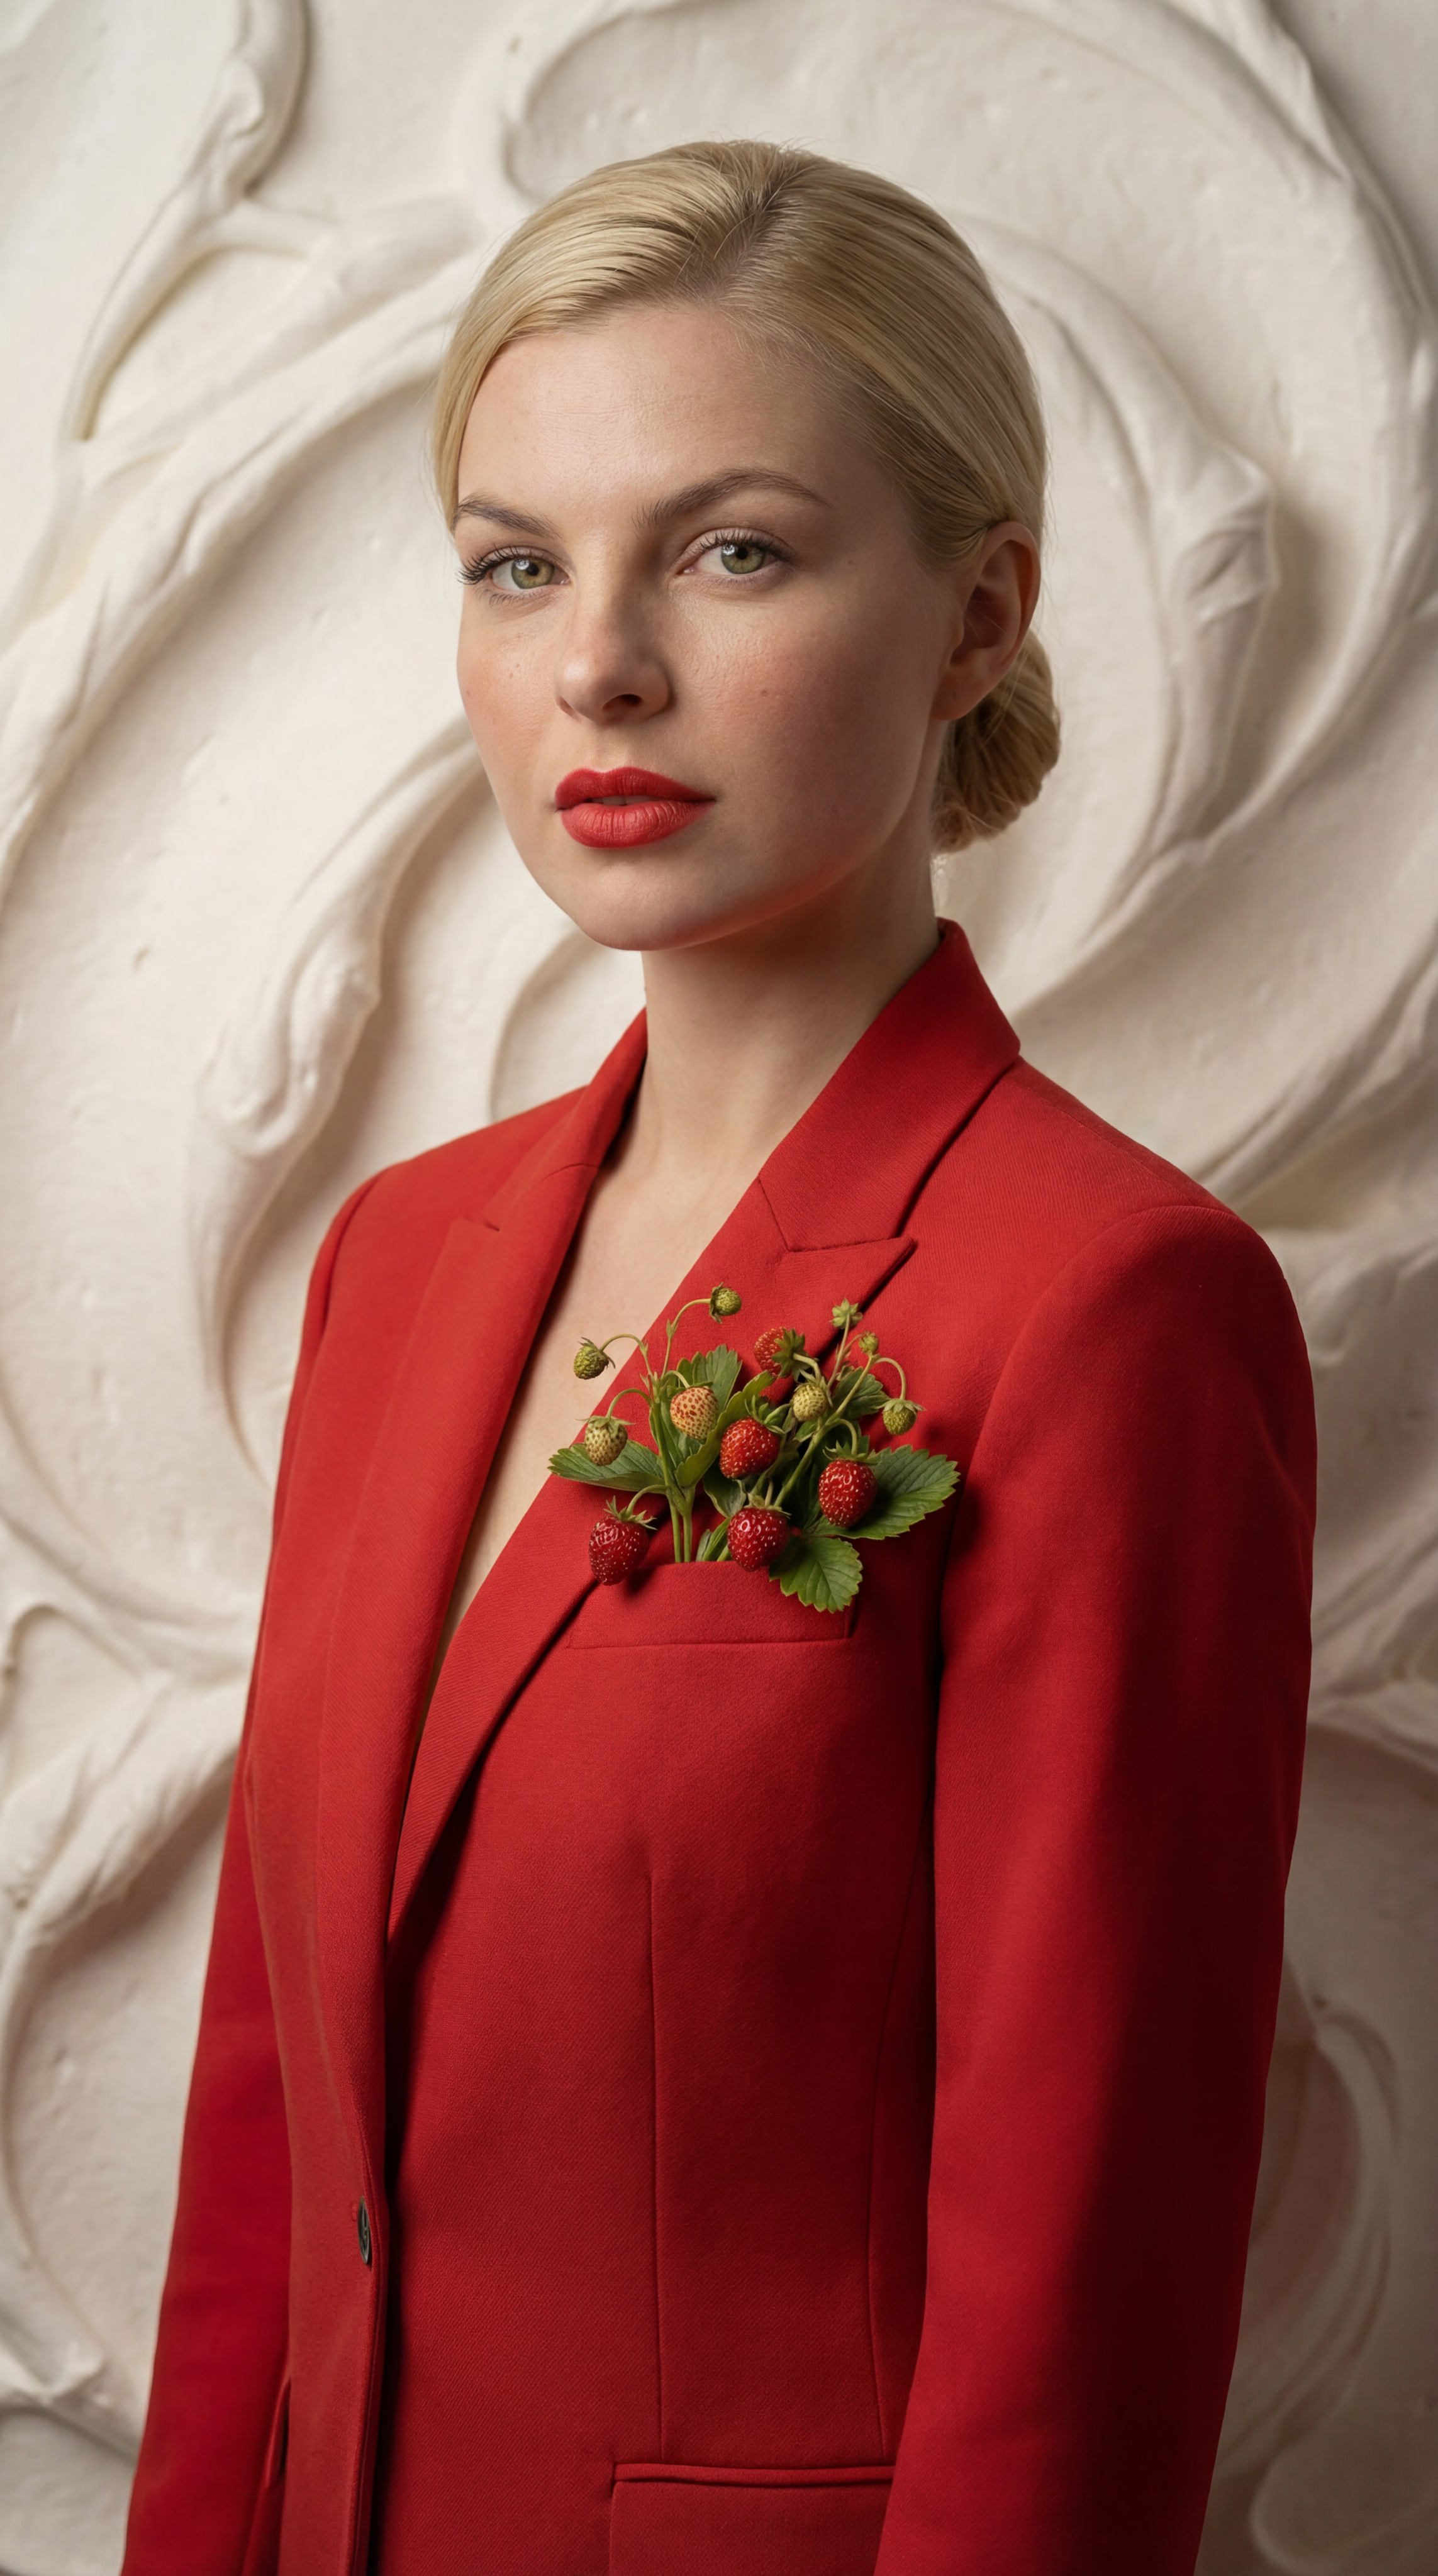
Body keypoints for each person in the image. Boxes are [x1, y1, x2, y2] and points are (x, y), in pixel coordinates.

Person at [120, 142, 1314, 2576]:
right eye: (513, 562)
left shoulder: (1106, 1308)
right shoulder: (396, 1260)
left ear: (979, 611)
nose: (599, 665)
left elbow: (1080, 2268)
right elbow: (273, 2107)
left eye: (734, 547)